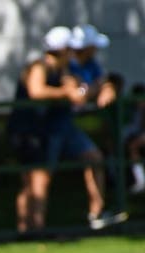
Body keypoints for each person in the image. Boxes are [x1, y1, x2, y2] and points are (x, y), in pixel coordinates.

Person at [7, 26, 126, 235]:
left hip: (51, 129)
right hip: (31, 131)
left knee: (45, 178)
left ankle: (36, 229)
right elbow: (37, 91)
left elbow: (80, 91)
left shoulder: (62, 70)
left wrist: (102, 88)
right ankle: (31, 230)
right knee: (35, 181)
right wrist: (67, 92)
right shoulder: (40, 67)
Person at [69, 25, 116, 108]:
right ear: (88, 48)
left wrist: (108, 89)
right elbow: (78, 96)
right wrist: (95, 88)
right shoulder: (67, 66)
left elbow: (102, 81)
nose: (96, 49)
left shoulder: (92, 64)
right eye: (94, 46)